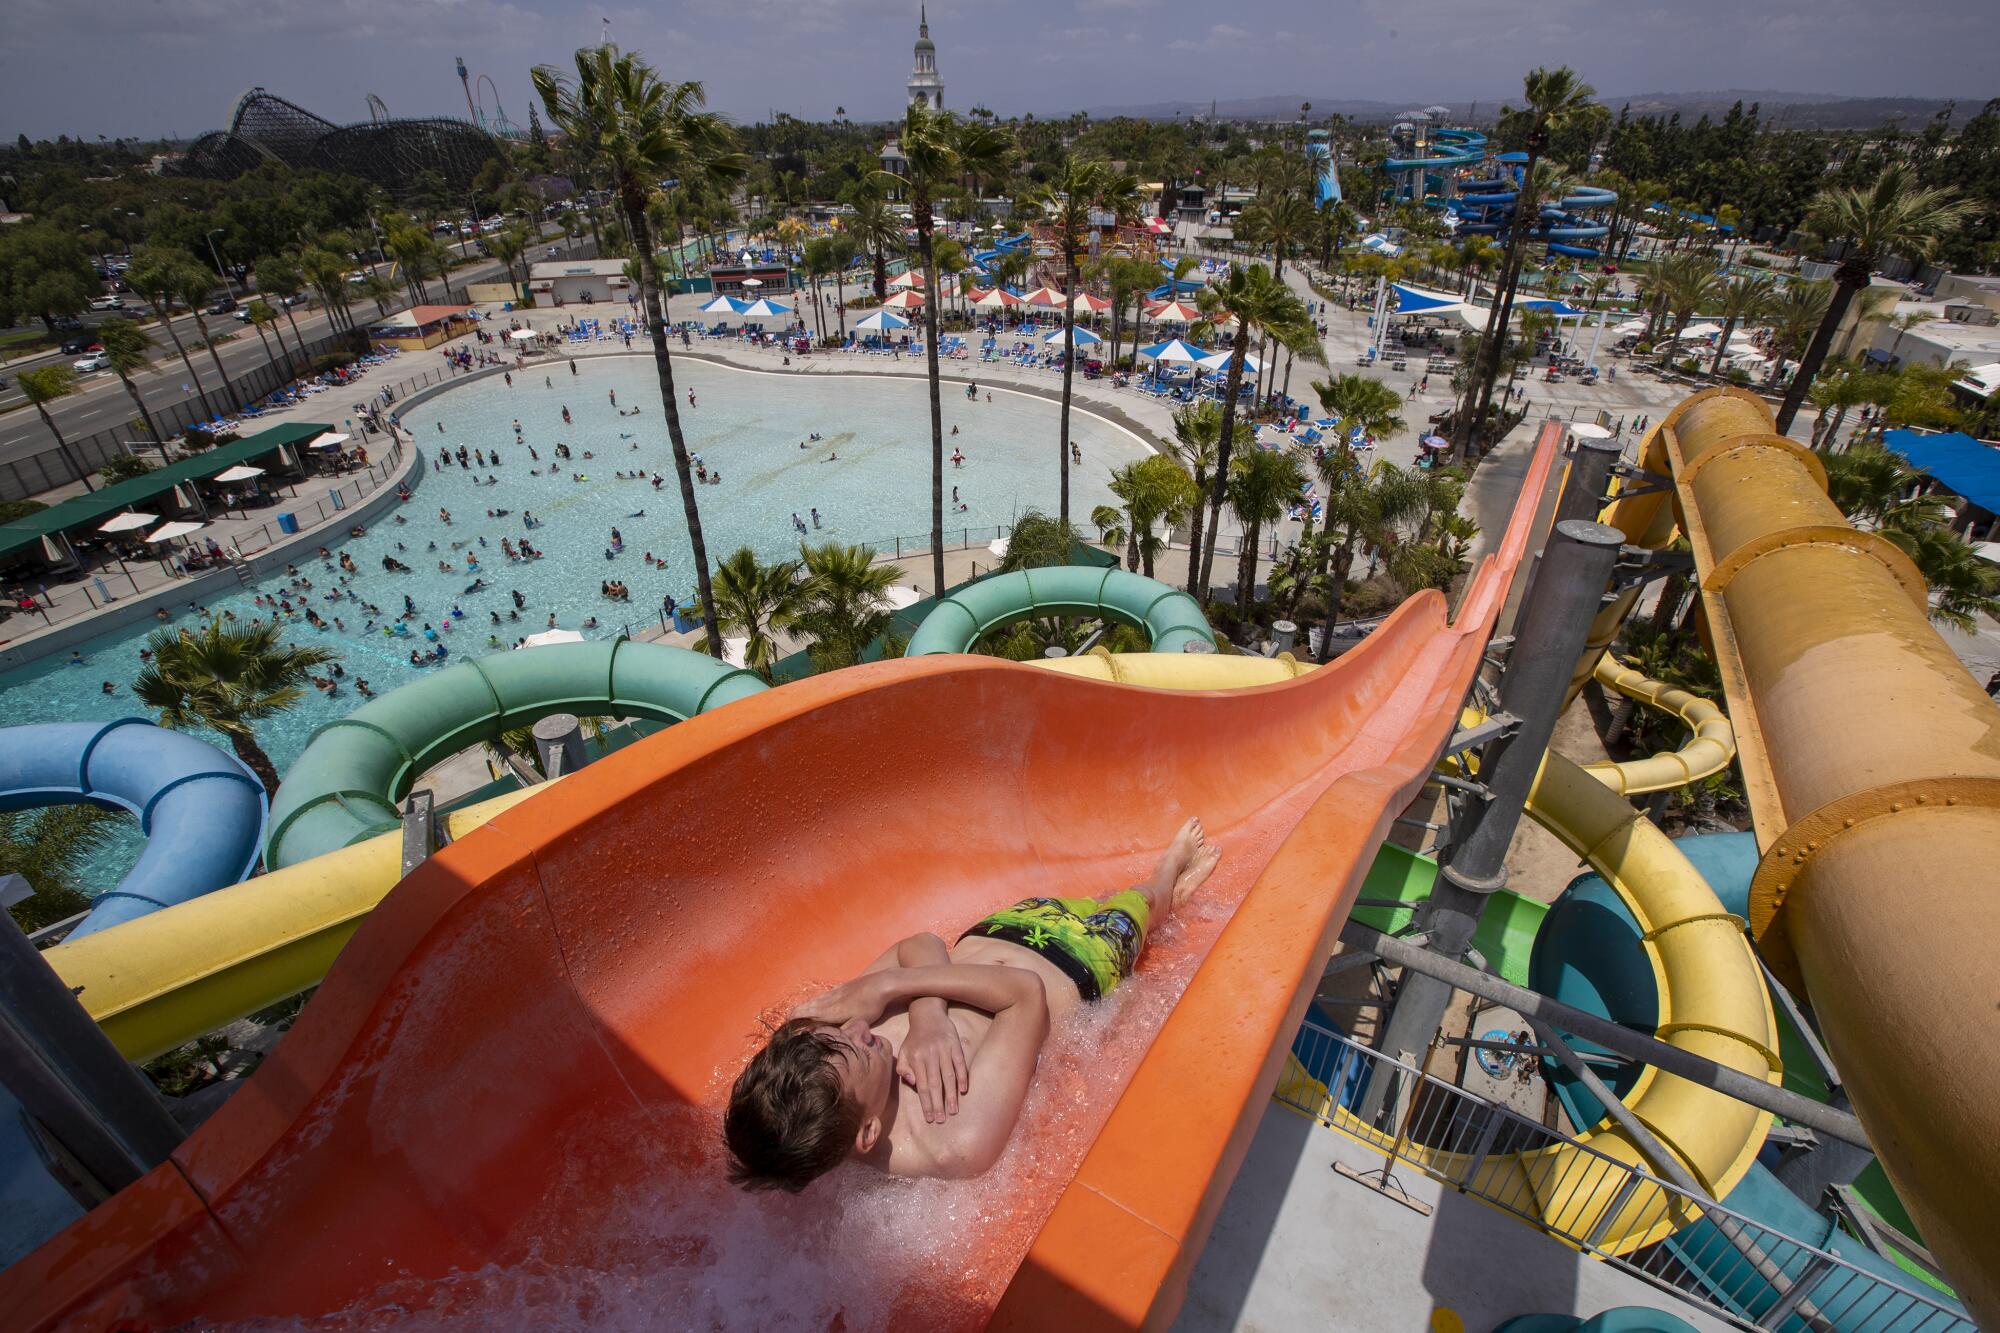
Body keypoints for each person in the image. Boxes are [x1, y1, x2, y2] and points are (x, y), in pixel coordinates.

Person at [724, 817, 1221, 1190]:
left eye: (843, 1034)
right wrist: (899, 988)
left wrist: (924, 1013)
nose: (858, 1027)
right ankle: (1167, 875)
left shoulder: (813, 1045)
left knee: (1088, 899)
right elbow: (1025, 995)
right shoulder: (954, 1144)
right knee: (1140, 904)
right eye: (864, 1048)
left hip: (1002, 928)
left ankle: (1160, 899)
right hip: (1082, 963)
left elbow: (917, 944)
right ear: (868, 1132)